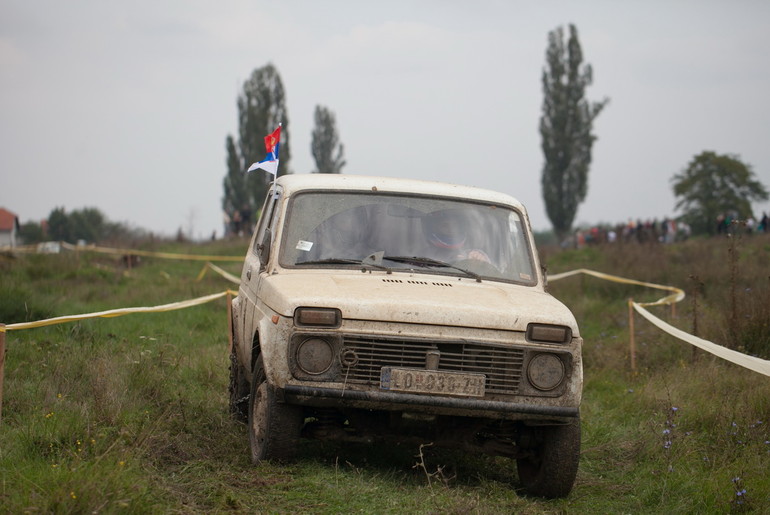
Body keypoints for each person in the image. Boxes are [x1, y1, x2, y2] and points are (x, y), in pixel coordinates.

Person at [421, 209, 491, 264]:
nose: (451, 229)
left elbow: (488, 272)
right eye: (445, 225)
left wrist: (478, 261)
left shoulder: (474, 254)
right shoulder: (426, 253)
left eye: (454, 225)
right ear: (436, 228)